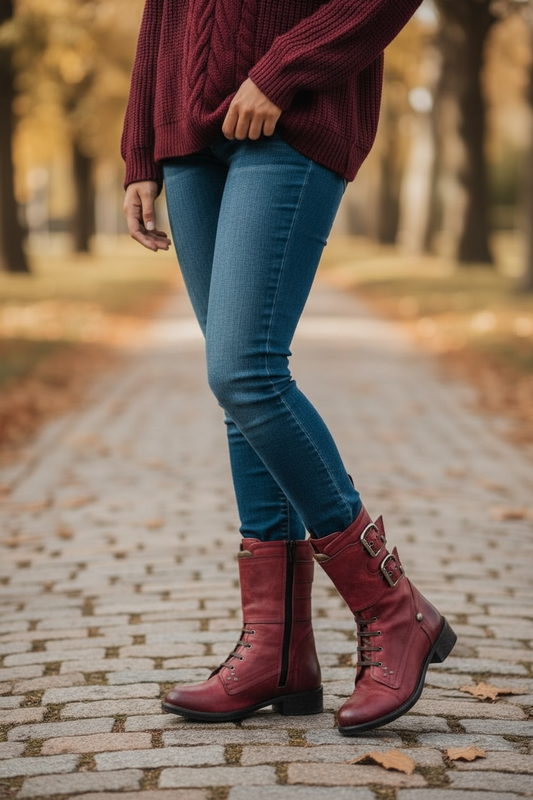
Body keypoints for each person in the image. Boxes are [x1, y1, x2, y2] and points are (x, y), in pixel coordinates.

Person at [122, 0, 456, 735]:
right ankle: (277, 654)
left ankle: (392, 608)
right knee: (236, 390)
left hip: (292, 112)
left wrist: (281, 70)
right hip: (186, 127)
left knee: (246, 370)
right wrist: (139, 152)